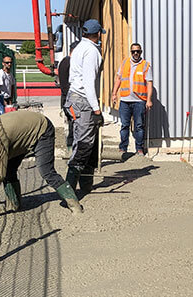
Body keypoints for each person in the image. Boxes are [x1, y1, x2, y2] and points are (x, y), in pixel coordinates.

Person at [0, 111, 83, 213]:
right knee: (9, 171)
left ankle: (74, 205)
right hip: (20, 139)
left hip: (41, 130)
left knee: (46, 171)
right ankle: (14, 205)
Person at [64, 19, 105, 193]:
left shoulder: (80, 48)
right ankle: (69, 190)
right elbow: (88, 83)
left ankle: (85, 184)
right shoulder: (91, 51)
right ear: (96, 34)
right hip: (83, 100)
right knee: (84, 144)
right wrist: (96, 109)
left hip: (75, 98)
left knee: (87, 142)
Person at [111, 43, 153, 155]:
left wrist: (149, 100)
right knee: (124, 125)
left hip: (139, 101)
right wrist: (114, 93)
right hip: (125, 100)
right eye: (133, 51)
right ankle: (123, 148)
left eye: (138, 51)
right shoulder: (124, 63)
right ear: (131, 52)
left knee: (139, 126)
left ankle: (139, 148)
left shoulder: (145, 65)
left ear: (141, 52)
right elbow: (119, 79)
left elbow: (149, 83)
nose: (135, 53)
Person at [58, 41, 82, 156]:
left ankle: (71, 148)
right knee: (74, 126)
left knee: (72, 125)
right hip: (70, 100)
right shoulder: (69, 62)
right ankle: (71, 149)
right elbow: (66, 86)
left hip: (67, 99)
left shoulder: (64, 62)